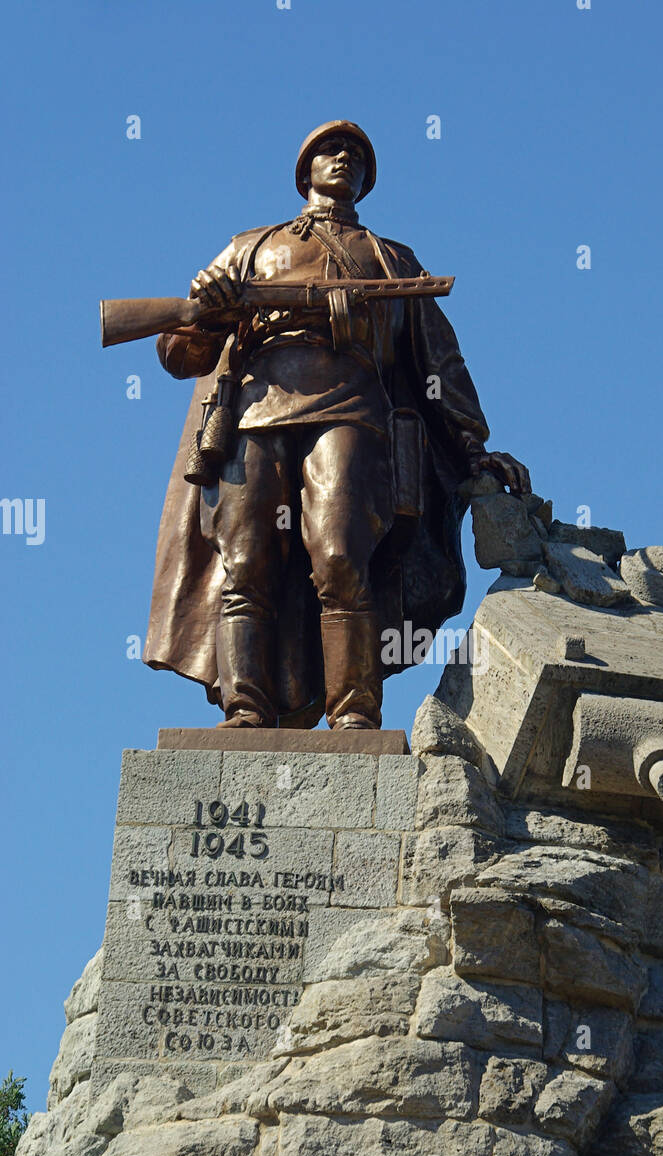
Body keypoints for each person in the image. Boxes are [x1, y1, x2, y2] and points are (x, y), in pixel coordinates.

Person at [146, 119, 529, 729]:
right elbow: (176, 353)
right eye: (329, 149)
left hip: (352, 410)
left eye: (355, 153)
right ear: (306, 170)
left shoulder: (390, 259)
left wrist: (473, 446)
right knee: (244, 563)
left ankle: (353, 715)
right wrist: (211, 307)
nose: (343, 157)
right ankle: (245, 709)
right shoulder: (252, 245)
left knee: (342, 558)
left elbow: (439, 360)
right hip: (255, 414)